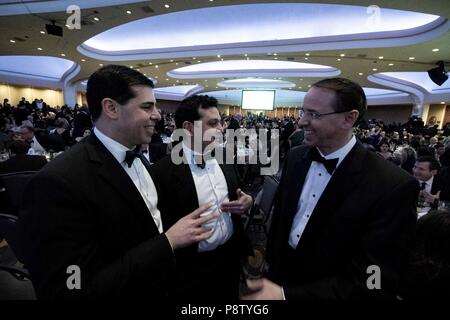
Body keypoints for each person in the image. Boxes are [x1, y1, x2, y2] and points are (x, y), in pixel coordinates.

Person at [19, 65, 217, 299]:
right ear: (111, 108)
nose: (157, 115)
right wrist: (167, 242)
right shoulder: (57, 182)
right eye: (147, 107)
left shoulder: (140, 158)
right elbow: (69, 288)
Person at [243, 77, 419, 300]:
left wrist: (288, 295)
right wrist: (271, 265)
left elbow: (375, 280)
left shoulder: (392, 185)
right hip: (277, 280)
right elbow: (281, 219)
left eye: (314, 114)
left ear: (349, 118)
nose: (301, 122)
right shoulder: (296, 157)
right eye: (303, 111)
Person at [150, 95, 253, 300]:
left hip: (230, 257)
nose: (221, 129)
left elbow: (240, 192)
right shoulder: (162, 173)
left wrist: (247, 201)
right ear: (188, 128)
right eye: (213, 123)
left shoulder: (225, 157)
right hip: (190, 268)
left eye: (220, 122)